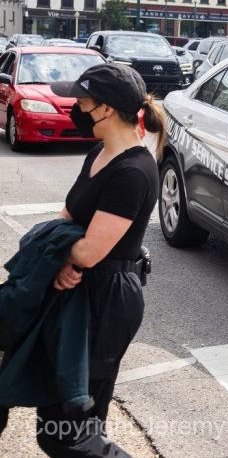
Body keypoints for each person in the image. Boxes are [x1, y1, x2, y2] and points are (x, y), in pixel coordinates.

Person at [37, 63, 165, 457]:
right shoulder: (99, 152)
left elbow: (91, 250)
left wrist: (52, 250)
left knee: (75, 432)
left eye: (82, 100)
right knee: (53, 422)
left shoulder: (134, 171)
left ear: (105, 108)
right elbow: (69, 216)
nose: (74, 105)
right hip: (78, 290)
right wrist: (58, 258)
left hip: (107, 301)